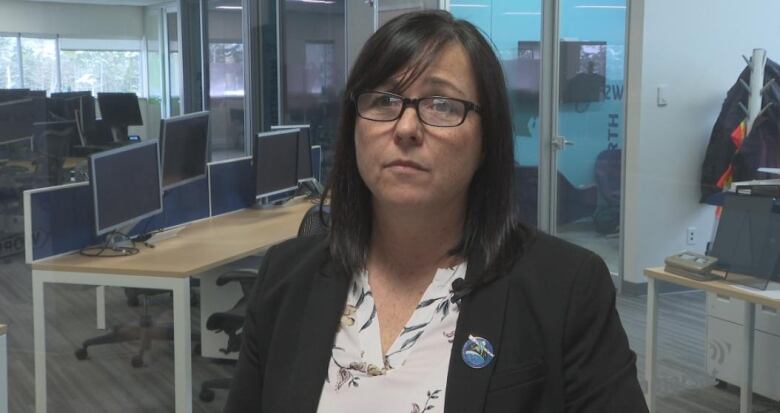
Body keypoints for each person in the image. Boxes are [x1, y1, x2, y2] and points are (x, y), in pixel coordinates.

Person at [225, 10, 647, 413]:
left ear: (486, 140)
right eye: (384, 100)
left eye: (442, 104)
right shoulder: (284, 278)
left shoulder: (566, 287)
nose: (406, 127)